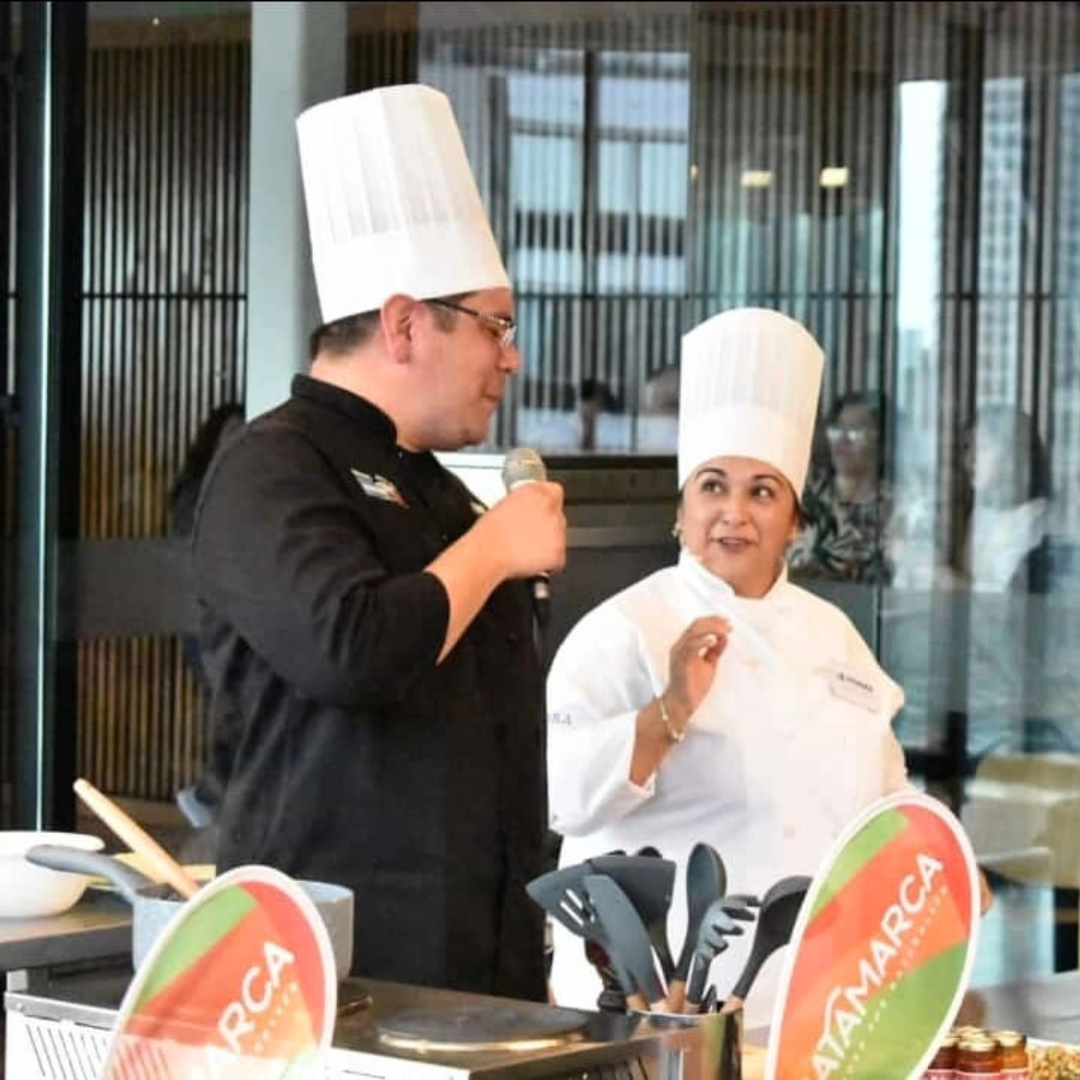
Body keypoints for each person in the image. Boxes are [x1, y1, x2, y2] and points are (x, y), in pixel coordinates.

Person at [192, 85, 566, 1001]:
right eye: (496, 326)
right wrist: (494, 552)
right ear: (404, 324)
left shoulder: (435, 485)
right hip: (336, 973)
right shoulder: (272, 466)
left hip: (481, 968)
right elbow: (350, 648)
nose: (510, 358)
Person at [545, 308, 917, 1026]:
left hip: (819, 1004)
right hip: (660, 1013)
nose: (734, 513)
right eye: (713, 486)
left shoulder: (833, 634)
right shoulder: (623, 631)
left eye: (763, 492)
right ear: (680, 510)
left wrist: (938, 866)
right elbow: (566, 796)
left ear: (796, 524)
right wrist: (671, 708)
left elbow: (886, 796)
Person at [787, 391, 894, 584]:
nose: (843, 439)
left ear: (881, 440)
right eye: (837, 428)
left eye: (856, 430)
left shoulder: (897, 505)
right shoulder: (805, 496)